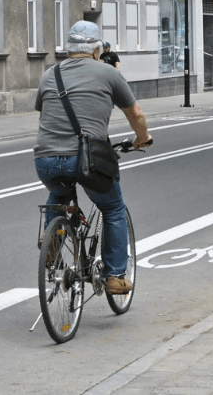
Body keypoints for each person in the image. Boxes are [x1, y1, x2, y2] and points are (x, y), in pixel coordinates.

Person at [33, 21, 151, 294]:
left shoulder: (50, 75)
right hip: (87, 160)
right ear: (97, 50)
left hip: (45, 158)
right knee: (113, 209)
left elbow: (44, 116)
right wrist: (142, 137)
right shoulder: (109, 73)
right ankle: (114, 276)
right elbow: (136, 114)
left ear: (69, 49)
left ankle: (51, 243)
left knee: (60, 193)